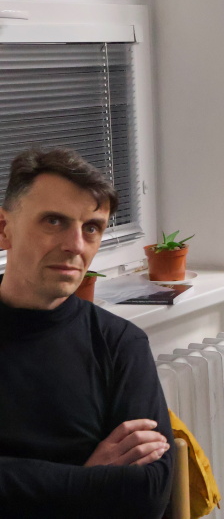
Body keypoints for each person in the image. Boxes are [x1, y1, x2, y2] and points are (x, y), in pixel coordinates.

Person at [0, 148, 173, 518]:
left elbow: (149, 495)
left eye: (91, 228)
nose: (75, 246)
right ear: (4, 229)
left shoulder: (120, 344)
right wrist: (89, 478)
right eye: (53, 221)